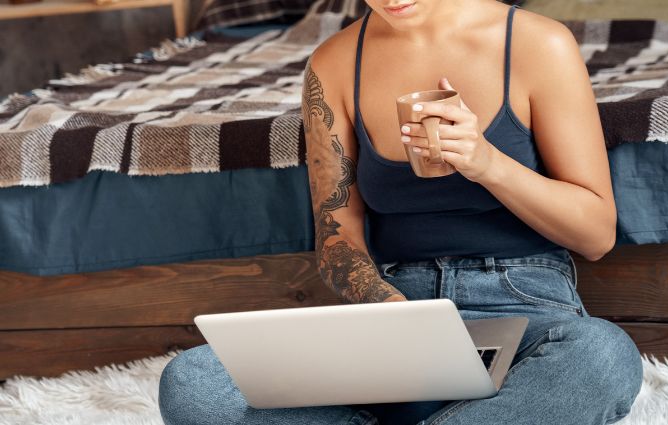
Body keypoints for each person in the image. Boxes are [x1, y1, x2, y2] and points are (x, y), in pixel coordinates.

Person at [158, 1, 643, 423]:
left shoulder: (540, 43)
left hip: (522, 311)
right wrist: (393, 316)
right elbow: (335, 235)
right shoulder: (334, 63)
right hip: (395, 308)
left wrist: (486, 162)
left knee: (602, 357)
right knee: (193, 381)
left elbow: (595, 234)